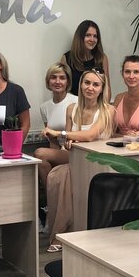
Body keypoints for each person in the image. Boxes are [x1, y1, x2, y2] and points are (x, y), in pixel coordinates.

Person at [45, 70, 114, 253]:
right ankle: (65, 232)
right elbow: (68, 140)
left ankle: (62, 233)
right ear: (81, 84)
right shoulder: (72, 108)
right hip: (75, 159)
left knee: (64, 174)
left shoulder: (108, 110)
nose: (90, 88)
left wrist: (60, 133)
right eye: (87, 83)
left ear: (102, 89)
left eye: (95, 85)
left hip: (98, 164)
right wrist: (68, 140)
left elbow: (90, 135)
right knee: (57, 175)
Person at [35, 62, 77, 192]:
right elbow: (52, 141)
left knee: (39, 153)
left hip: (74, 151)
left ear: (67, 82)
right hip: (59, 151)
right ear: (48, 81)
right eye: (53, 77)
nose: (57, 81)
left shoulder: (76, 101)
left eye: (62, 78)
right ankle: (52, 197)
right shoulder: (44, 107)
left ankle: (51, 197)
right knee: (41, 161)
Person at [61, 19, 111, 98]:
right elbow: (64, 89)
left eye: (95, 36)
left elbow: (107, 89)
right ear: (80, 37)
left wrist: (105, 105)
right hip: (75, 103)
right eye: (88, 35)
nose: (92, 39)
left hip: (97, 104)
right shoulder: (67, 59)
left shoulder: (102, 58)